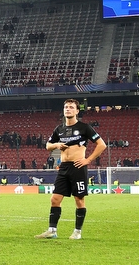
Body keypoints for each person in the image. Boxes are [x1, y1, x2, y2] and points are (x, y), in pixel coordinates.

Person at [35, 99, 107, 240]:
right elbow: (48, 145)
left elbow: (101, 145)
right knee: (55, 199)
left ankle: (77, 232)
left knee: (79, 200)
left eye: (71, 107)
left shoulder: (84, 128)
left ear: (77, 111)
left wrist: (88, 160)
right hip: (64, 167)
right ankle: (52, 230)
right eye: (66, 107)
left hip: (78, 166)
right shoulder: (59, 129)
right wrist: (57, 145)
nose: (68, 109)